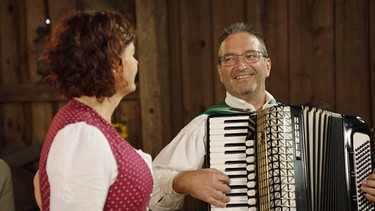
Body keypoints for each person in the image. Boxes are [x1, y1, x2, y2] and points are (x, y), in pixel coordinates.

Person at [33, 10, 153, 210]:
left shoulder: (79, 118)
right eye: (132, 55)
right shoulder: (82, 135)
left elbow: (40, 182)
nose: (136, 62)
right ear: (114, 64)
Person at [149, 22, 276, 210]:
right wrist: (181, 180)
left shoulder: (297, 124)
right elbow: (150, 187)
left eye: (250, 56)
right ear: (220, 72)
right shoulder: (205, 125)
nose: (241, 66)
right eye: (230, 59)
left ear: (267, 66)